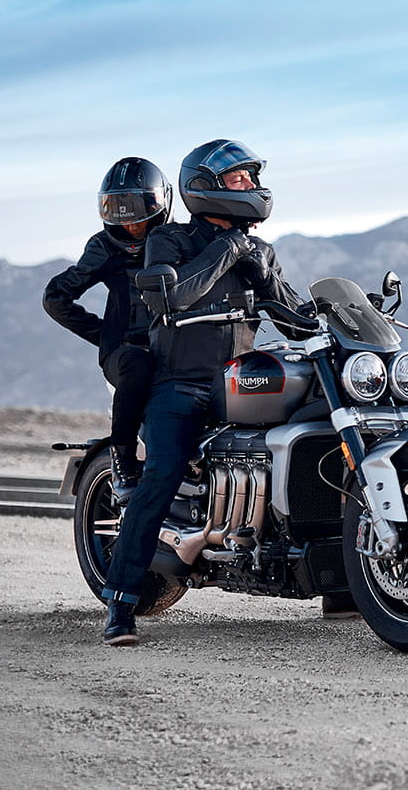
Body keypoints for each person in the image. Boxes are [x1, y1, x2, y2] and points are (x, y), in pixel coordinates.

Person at [100, 139, 307, 646]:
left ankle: (341, 582)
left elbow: (297, 319)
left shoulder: (260, 250)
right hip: (181, 385)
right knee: (162, 474)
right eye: (241, 180)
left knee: (313, 438)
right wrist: (228, 250)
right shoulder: (169, 242)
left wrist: (339, 314)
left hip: (241, 382)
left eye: (253, 179)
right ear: (208, 188)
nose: (253, 187)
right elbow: (174, 296)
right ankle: (122, 604)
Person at [44, 157, 172, 505]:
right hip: (127, 354)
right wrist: (106, 337)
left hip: (178, 347)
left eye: (137, 207)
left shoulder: (178, 241)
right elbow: (57, 298)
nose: (129, 221)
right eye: (118, 208)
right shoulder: (104, 247)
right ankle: (123, 464)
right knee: (136, 364)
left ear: (159, 201)